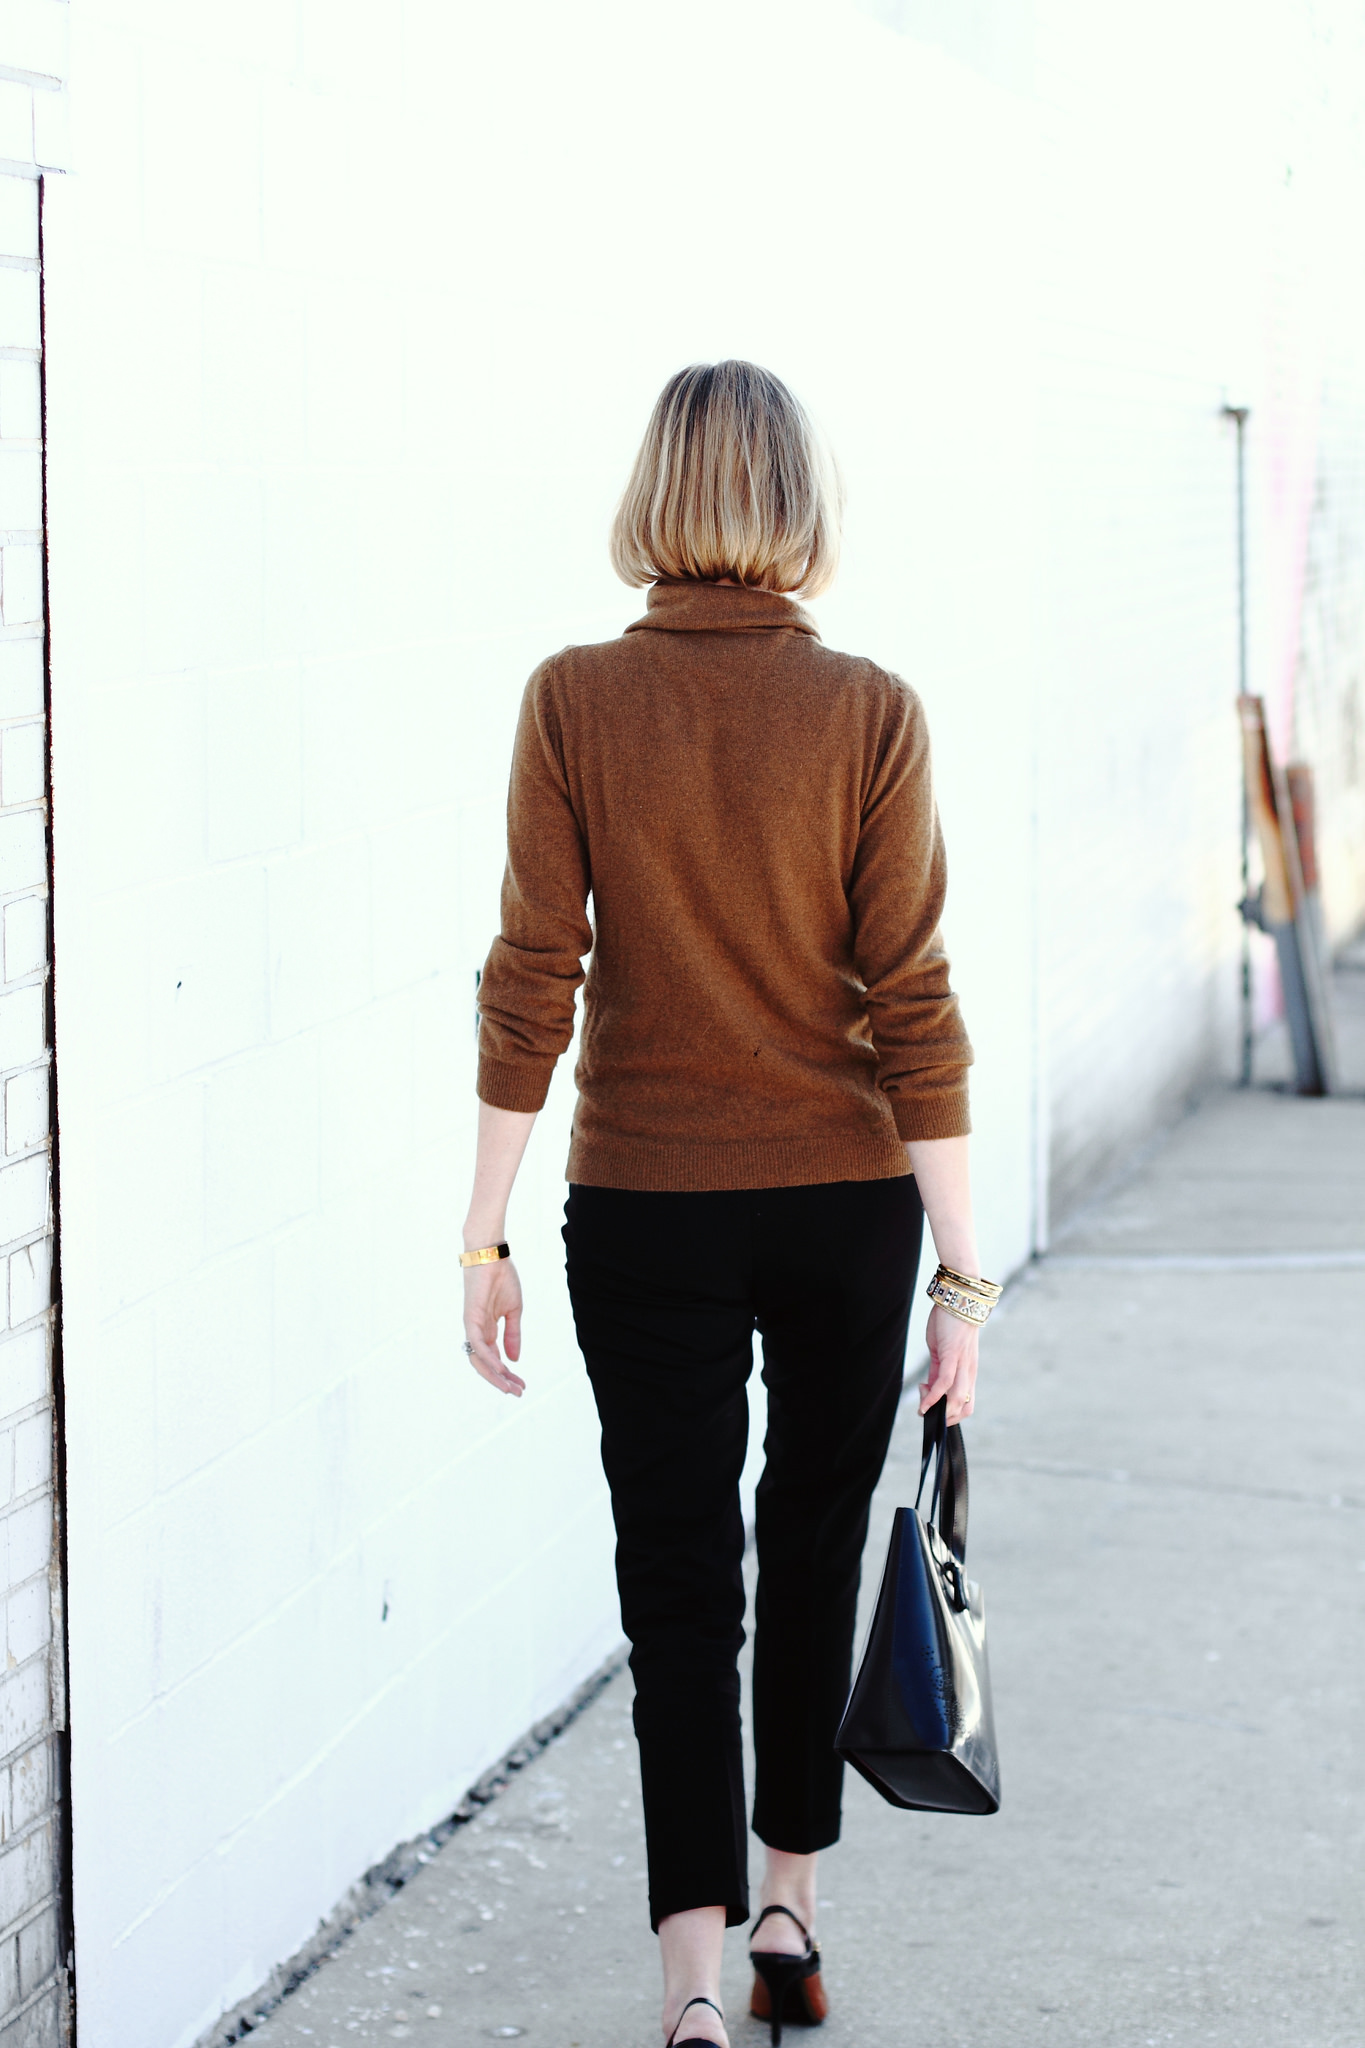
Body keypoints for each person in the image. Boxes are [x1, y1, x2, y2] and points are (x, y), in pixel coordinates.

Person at [460, 361, 987, 2048]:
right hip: (843, 1205)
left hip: (642, 1209)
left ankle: (689, 1994)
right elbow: (911, 999)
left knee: (675, 1587)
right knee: (809, 1550)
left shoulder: (570, 700)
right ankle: (787, 1911)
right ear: (796, 507)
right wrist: (964, 1275)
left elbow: (533, 977)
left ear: (654, 494)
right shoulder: (870, 710)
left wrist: (479, 1229)